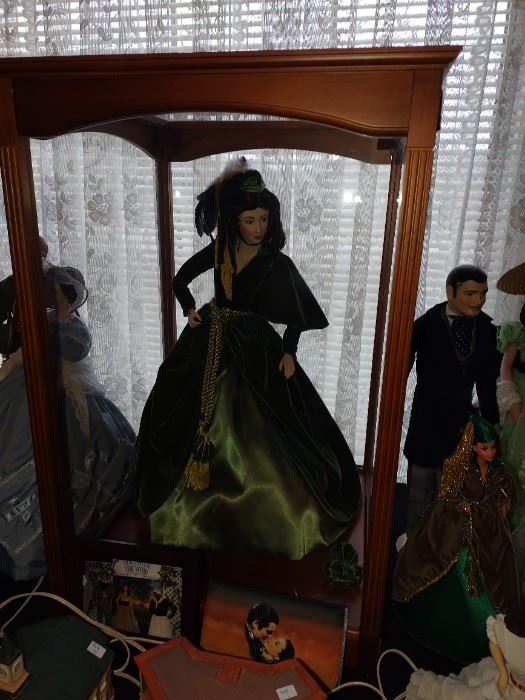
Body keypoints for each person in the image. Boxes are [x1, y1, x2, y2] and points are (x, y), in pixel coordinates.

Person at [134, 160, 361, 559]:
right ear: (234, 221)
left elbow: (296, 312)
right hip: (210, 337)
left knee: (263, 425)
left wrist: (289, 349)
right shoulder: (220, 250)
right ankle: (194, 511)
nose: (258, 228)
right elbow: (180, 279)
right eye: (250, 220)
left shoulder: (276, 262)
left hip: (255, 344)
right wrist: (189, 308)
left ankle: (263, 513)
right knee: (189, 411)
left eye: (264, 220)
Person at [0, 264, 135, 581]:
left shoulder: (71, 326)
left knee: (71, 443)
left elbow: (75, 349)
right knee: (16, 439)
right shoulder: (38, 322)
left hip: (63, 392)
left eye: (56, 293)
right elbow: (14, 347)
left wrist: (56, 322)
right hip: (26, 387)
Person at [393, 414, 519, 665]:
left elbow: (507, 494)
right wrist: (462, 506)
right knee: (455, 569)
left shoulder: (499, 471)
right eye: (484, 448)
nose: (490, 453)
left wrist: (503, 502)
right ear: (473, 447)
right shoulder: (461, 467)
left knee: (497, 575)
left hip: (489, 531)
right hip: (459, 530)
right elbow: (446, 496)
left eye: (492, 448)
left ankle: (490, 633)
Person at [403, 264, 500, 529]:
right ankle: (415, 539)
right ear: (450, 292)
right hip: (426, 416)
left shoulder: (486, 330)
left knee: (454, 489)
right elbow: (400, 368)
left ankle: (445, 543)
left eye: (483, 293)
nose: (478, 300)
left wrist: (491, 423)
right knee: (420, 487)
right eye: (470, 294)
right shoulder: (425, 326)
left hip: (460, 422)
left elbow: (487, 383)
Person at [405, 599, 525, 699]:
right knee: (461, 694)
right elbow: (495, 640)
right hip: (508, 687)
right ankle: (424, 685)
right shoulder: (514, 624)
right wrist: (503, 673)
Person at [496, 261, 525, 596]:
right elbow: (505, 369)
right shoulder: (517, 334)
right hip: (518, 408)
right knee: (512, 474)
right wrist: (514, 405)